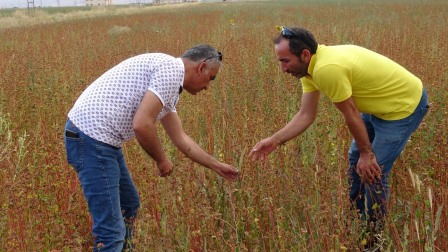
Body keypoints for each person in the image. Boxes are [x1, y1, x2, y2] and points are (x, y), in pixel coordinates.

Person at [249, 26, 429, 247]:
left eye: (285, 61)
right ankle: (355, 221)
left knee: (374, 171)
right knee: (356, 161)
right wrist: (274, 140)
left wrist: (367, 153)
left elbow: (351, 113)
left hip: (403, 107)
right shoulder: (309, 69)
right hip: (377, 107)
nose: (282, 69)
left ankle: (373, 241)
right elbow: (306, 115)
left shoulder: (327, 69)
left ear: (305, 55)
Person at [64, 44, 239, 252]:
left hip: (100, 141)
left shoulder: (170, 79)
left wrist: (217, 166)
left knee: (128, 205)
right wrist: (161, 159)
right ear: (201, 67)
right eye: (211, 78)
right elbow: (142, 124)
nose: (208, 87)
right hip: (91, 139)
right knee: (110, 232)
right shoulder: (171, 72)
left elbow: (181, 138)